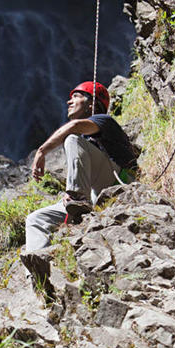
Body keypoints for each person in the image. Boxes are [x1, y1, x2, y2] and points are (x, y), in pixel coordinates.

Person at [25, 81, 138, 251]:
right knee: (36, 219)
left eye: (76, 96)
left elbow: (74, 127)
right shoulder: (85, 142)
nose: (69, 101)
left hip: (120, 182)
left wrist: (41, 151)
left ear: (92, 104)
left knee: (71, 138)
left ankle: (77, 197)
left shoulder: (105, 121)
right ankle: (36, 264)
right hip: (94, 195)